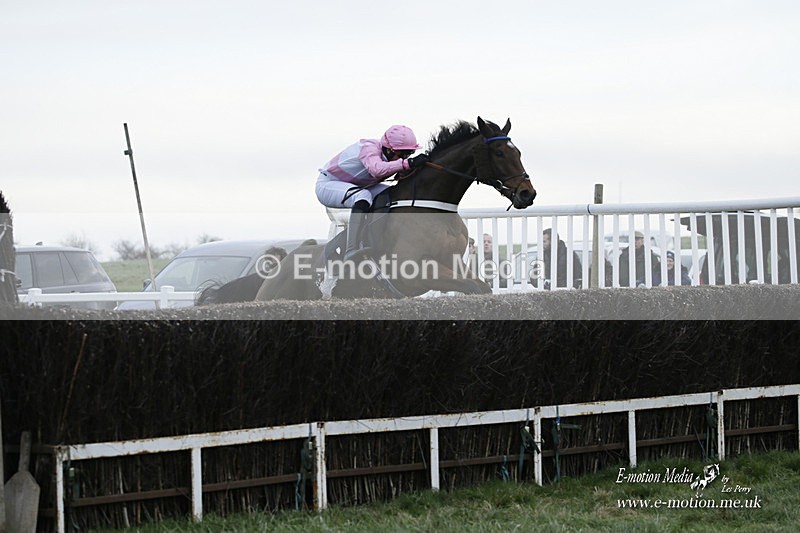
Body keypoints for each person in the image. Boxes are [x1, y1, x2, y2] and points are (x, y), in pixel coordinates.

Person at [315, 125, 429, 260]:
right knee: (363, 196)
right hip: (328, 184)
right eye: (403, 154)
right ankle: (351, 249)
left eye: (410, 153)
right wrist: (407, 163)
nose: (405, 157)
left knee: (392, 193)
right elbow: (377, 169)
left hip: (359, 185)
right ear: (389, 149)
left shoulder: (390, 153)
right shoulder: (369, 147)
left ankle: (374, 238)